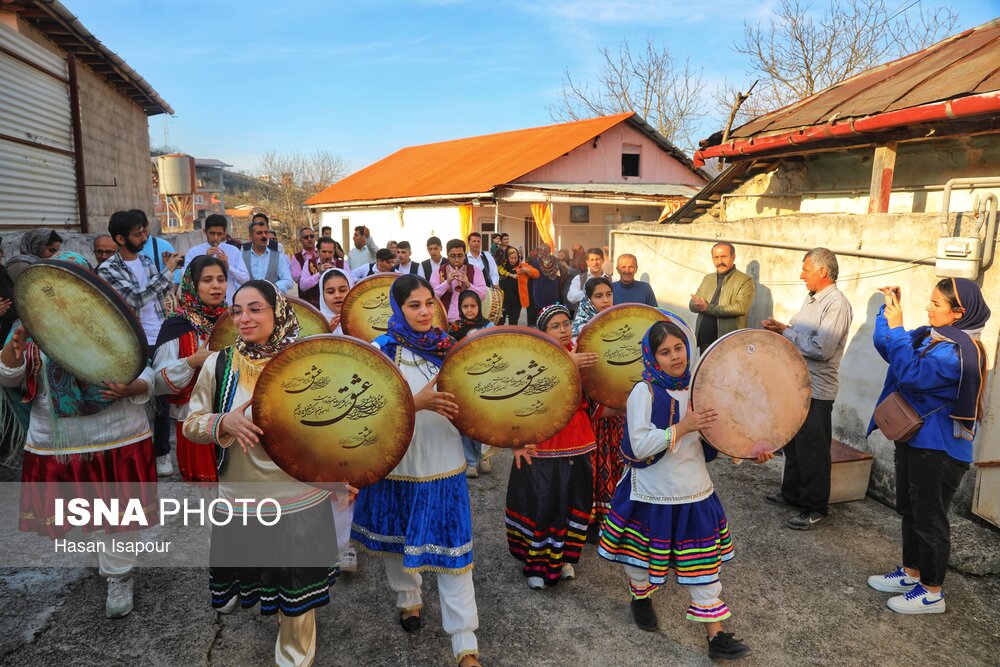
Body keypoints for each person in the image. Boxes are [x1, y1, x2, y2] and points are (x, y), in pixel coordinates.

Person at [183, 280, 339, 666]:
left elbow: (335, 427)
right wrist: (223, 423)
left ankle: (294, 659)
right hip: (242, 500)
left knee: (297, 596)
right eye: (237, 310)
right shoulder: (219, 364)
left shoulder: (306, 361)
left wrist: (341, 475)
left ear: (278, 311)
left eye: (255, 308)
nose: (245, 317)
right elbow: (191, 423)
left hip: (299, 498)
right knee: (260, 581)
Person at [1, 251, 158, 619]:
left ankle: (119, 576)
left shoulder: (112, 320)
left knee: (118, 514)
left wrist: (132, 387)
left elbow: (145, 369)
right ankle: (104, 557)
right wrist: (14, 347)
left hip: (116, 432)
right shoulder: (30, 324)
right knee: (85, 510)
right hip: (59, 438)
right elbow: (9, 378)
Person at [598, 318, 767, 660]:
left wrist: (750, 452)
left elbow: (722, 434)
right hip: (649, 491)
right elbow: (639, 445)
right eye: (665, 352)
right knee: (640, 557)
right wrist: (683, 426)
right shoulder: (643, 392)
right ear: (651, 356)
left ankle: (716, 637)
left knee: (703, 566)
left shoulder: (700, 388)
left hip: (694, 489)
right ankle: (641, 597)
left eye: (679, 348)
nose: (675, 357)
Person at [352, 275, 481, 667]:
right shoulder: (380, 353)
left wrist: (515, 433)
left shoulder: (452, 351)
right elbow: (364, 412)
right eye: (414, 305)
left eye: (429, 303)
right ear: (397, 309)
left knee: (454, 555)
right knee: (397, 542)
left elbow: (479, 403)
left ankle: (465, 643)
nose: (425, 311)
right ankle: (409, 599)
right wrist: (416, 402)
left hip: (443, 466)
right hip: (396, 466)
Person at [866, 278, 991, 614]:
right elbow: (890, 349)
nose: (928, 308)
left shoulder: (960, 352)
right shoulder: (932, 337)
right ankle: (911, 573)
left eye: (936, 304)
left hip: (939, 449)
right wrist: (888, 313)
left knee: (930, 518)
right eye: (930, 302)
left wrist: (897, 329)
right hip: (915, 438)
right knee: (909, 509)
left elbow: (912, 375)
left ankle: (932, 591)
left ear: (959, 312)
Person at [505, 304, 598, 590]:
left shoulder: (583, 355)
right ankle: (536, 563)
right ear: (543, 331)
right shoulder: (534, 359)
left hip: (578, 438)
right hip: (542, 441)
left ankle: (563, 559)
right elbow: (516, 404)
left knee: (574, 500)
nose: (563, 329)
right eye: (555, 326)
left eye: (566, 323)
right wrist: (515, 443)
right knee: (542, 501)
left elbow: (598, 392)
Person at [762, 248, 853, 530]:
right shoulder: (813, 299)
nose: (801, 275)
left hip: (817, 388)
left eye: (805, 269)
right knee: (794, 442)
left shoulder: (836, 304)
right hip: (797, 383)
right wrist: (783, 327)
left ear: (822, 271)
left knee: (813, 449)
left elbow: (821, 347)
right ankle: (792, 495)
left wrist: (787, 333)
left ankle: (814, 507)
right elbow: (805, 333)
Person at [98, 210, 183, 478]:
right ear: (120, 238)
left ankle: (161, 453)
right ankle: (135, 453)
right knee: (135, 399)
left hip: (159, 336)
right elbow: (135, 298)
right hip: (133, 342)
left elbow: (159, 296)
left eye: (145, 230)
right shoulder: (107, 269)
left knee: (162, 396)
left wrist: (166, 279)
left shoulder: (146, 260)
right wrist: (166, 273)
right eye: (138, 233)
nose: (144, 236)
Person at [152, 256, 227, 483]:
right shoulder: (177, 325)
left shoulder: (234, 319)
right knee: (208, 497)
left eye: (221, 279)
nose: (216, 285)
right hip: (196, 423)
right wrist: (191, 362)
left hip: (234, 419)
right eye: (207, 280)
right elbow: (157, 382)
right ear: (192, 285)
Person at [570, 277, 621, 524]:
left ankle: (613, 519)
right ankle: (589, 520)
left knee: (615, 459)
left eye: (608, 294)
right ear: (589, 299)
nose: (605, 300)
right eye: (599, 296)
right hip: (594, 407)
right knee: (593, 464)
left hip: (617, 403)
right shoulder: (580, 329)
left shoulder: (620, 322)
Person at [448, 290, 495, 479]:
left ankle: (483, 456)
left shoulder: (488, 326)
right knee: (466, 419)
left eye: (473, 306)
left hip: (485, 379)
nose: (469, 310)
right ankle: (471, 461)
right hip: (464, 381)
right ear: (460, 308)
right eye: (465, 306)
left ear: (479, 306)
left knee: (483, 418)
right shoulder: (454, 328)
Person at [689, 242, 755, 353]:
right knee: (706, 370)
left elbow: (741, 307)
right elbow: (691, 305)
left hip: (729, 342)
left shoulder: (745, 280)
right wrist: (696, 304)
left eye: (724, 257)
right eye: (716, 257)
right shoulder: (707, 279)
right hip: (705, 340)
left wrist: (708, 308)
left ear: (733, 257)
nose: (720, 262)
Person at [184, 213, 250, 304]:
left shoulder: (233, 251)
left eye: (219, 234)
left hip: (228, 305)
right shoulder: (193, 252)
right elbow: (186, 280)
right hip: (201, 306)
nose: (215, 238)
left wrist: (228, 267)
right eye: (212, 233)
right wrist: (205, 260)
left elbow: (245, 279)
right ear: (205, 231)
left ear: (224, 234)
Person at [431, 239, 487, 323]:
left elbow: (482, 295)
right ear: (447, 256)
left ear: (465, 255)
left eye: (460, 256)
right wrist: (447, 282)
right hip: (445, 321)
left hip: (470, 321)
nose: (456, 260)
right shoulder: (438, 271)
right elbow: (432, 296)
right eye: (453, 256)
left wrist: (468, 285)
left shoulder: (475, 270)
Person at [243, 219, 294, 293]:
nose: (264, 236)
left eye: (266, 233)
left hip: (271, 300)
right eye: (259, 233)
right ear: (251, 236)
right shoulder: (242, 256)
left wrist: (274, 287)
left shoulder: (278, 257)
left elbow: (288, 281)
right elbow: (237, 282)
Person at [498, 246, 538, 326]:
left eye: (515, 258)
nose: (513, 260)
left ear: (518, 257)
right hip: (504, 297)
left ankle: (513, 335)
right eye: (511, 258)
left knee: (514, 320)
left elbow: (536, 274)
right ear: (507, 258)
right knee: (500, 320)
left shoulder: (522, 266)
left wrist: (527, 270)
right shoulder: (503, 266)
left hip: (517, 299)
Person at [530, 246, 569, 321]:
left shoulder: (536, 261)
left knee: (540, 307)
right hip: (552, 286)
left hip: (539, 286)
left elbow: (533, 274)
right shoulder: (555, 260)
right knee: (552, 307)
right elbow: (559, 273)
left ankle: (540, 322)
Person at [290, 227, 323, 308]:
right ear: (301, 240)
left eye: (312, 236)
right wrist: (309, 270)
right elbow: (296, 277)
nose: (309, 239)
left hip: (323, 296)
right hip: (307, 298)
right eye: (306, 237)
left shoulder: (323, 252)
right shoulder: (297, 257)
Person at [319, 267, 353, 335]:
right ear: (322, 295)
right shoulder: (315, 322)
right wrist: (325, 334)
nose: (337, 295)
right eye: (330, 292)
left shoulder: (362, 319)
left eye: (343, 290)